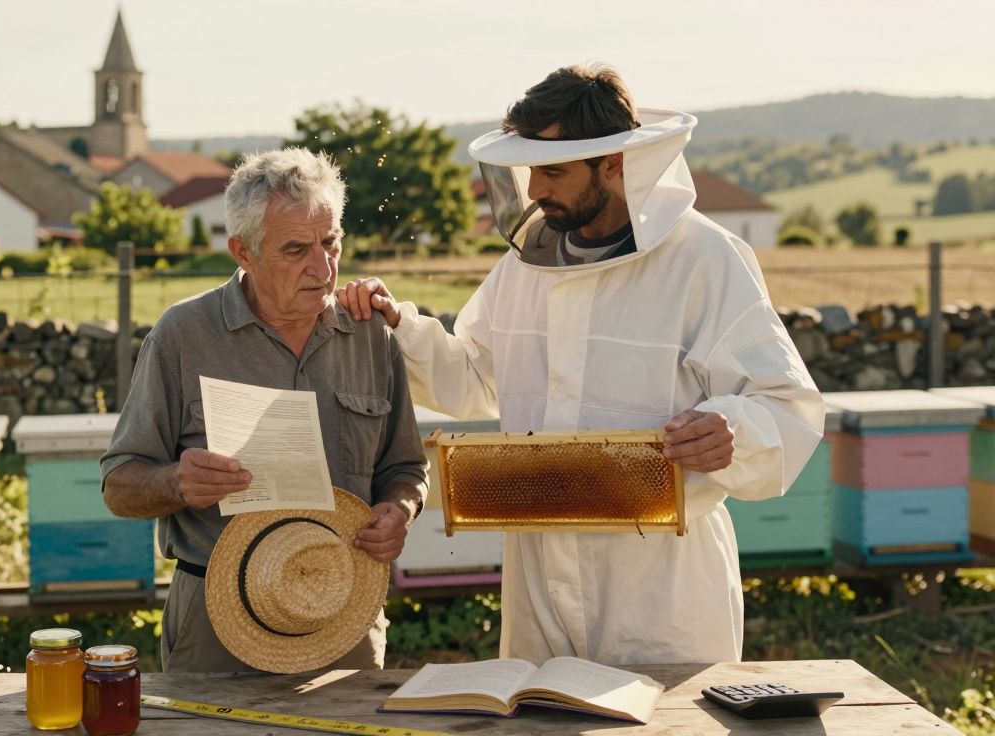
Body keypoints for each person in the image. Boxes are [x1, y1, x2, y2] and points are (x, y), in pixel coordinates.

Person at [339, 64, 824, 666]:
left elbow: (784, 401)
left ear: (613, 163)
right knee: (540, 712)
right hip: (538, 574)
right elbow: (476, 378)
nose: (535, 188)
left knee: (665, 715)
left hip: (657, 580)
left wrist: (731, 430)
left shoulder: (704, 259)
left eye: (554, 171)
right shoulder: (524, 267)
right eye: (530, 170)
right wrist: (400, 327)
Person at [100, 147, 428, 673]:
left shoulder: (372, 335)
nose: (322, 267)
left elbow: (406, 468)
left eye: (330, 242)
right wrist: (177, 483)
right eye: (296, 249)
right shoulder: (182, 335)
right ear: (243, 252)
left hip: (344, 611)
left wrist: (399, 510)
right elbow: (119, 484)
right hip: (214, 623)